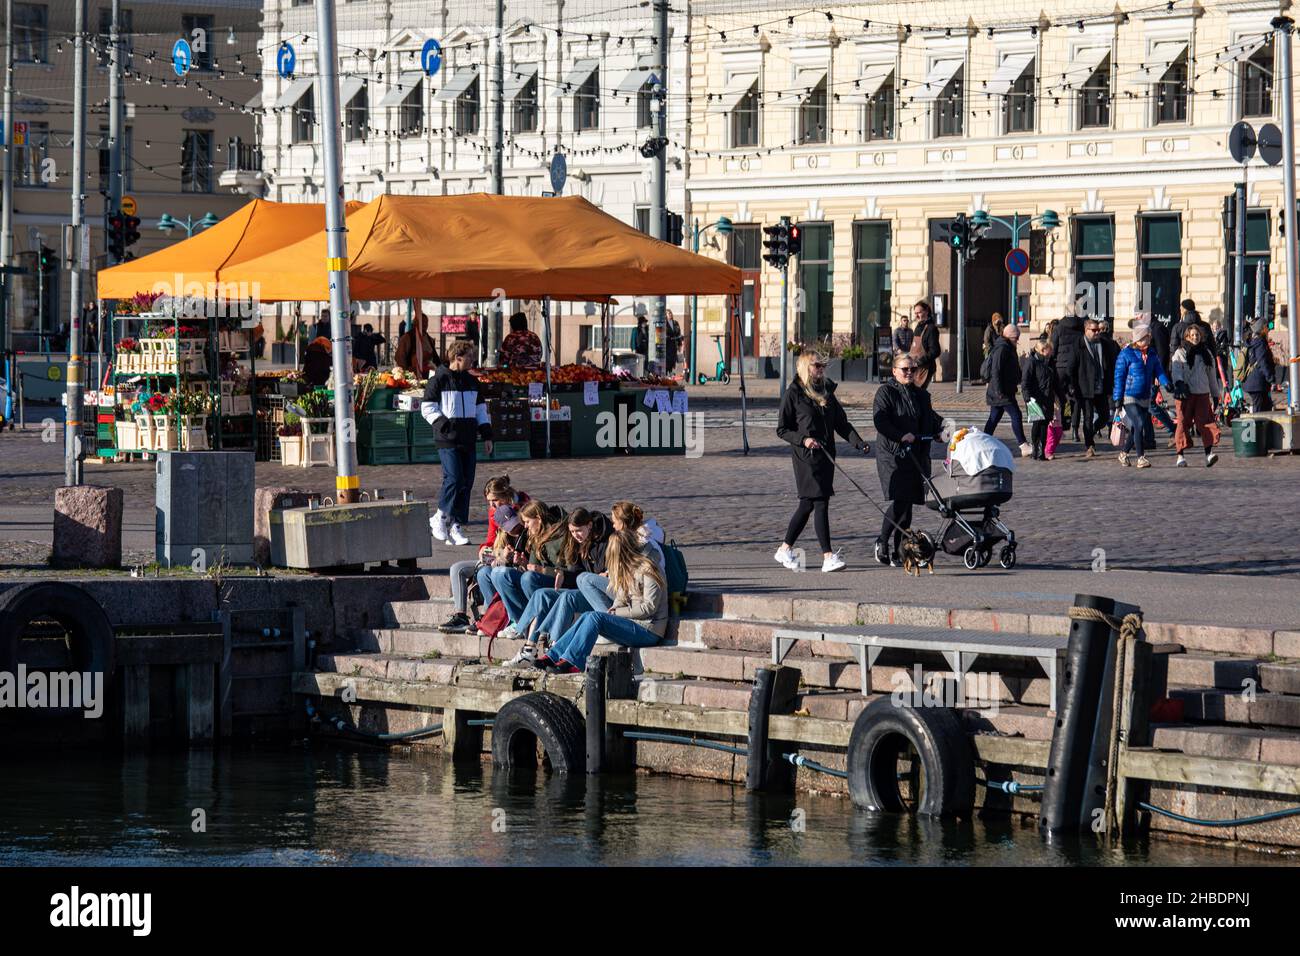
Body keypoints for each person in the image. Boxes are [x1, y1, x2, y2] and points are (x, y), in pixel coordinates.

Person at [774, 351, 871, 573]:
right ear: (805, 367)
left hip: (826, 454)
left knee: (808, 504)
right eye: (817, 365)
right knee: (820, 502)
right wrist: (804, 439)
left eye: (823, 366)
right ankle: (828, 556)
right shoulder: (794, 393)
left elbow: (841, 423)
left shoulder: (827, 391)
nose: (821, 369)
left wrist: (859, 443)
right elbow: (782, 429)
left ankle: (785, 548)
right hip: (805, 456)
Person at [533, 528, 669, 674]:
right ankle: (554, 655)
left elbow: (649, 608)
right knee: (588, 615)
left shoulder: (649, 569)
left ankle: (573, 661)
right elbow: (621, 597)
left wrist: (618, 613)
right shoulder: (628, 567)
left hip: (649, 629)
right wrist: (616, 607)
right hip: (633, 622)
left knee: (595, 617)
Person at [505, 507, 613, 667]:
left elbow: (607, 573)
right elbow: (576, 574)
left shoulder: (607, 542)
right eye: (572, 531)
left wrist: (604, 574)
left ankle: (555, 646)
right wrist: (563, 575)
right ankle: (529, 648)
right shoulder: (579, 543)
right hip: (583, 588)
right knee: (542, 594)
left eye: (578, 530)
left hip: (600, 595)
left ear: (589, 526)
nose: (576, 535)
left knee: (567, 597)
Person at [872, 352, 951, 567]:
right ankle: (882, 541)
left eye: (912, 369)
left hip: (916, 452)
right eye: (905, 369)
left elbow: (929, 418)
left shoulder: (921, 395)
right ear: (894, 370)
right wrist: (900, 436)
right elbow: (881, 422)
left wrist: (943, 428)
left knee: (908, 505)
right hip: (893, 453)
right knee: (900, 500)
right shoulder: (885, 392)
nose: (909, 373)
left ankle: (900, 550)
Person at [421, 340, 493, 546]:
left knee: (466, 482)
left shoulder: (472, 382)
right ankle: (440, 517)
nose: (473, 360)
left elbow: (480, 410)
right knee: (454, 477)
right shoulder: (439, 380)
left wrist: (487, 434)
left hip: (468, 438)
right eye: (470, 356)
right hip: (448, 439)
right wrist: (444, 425)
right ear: (457, 358)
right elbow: (427, 408)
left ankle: (456, 525)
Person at [442, 476, 530, 633]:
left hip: (514, 561)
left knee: (485, 573)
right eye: (489, 501)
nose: (492, 505)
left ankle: (493, 619)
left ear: (506, 495)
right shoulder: (493, 511)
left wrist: (505, 555)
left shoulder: (523, 509)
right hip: (496, 556)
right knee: (457, 568)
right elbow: (490, 540)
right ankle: (461, 615)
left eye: (494, 500)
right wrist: (484, 550)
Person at [490, 499, 569, 636]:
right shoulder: (535, 536)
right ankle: (522, 623)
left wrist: (541, 570)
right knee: (499, 574)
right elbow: (532, 566)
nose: (525, 526)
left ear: (538, 518)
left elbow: (569, 572)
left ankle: (539, 623)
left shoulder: (561, 536)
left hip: (560, 583)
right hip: (538, 579)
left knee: (528, 578)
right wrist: (523, 563)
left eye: (527, 522)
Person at [1113, 315, 1172, 468]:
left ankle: (1123, 454)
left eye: (1149, 338)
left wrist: (1166, 384)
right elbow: (1119, 376)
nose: (1149, 341)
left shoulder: (1151, 354)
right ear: (1137, 339)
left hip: (1145, 395)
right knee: (1139, 423)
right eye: (1146, 338)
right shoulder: (1126, 354)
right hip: (1129, 396)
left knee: (1136, 428)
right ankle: (1141, 458)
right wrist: (1117, 398)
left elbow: (1158, 371)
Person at [1170, 323, 1222, 468]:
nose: (1195, 337)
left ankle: (1209, 454)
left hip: (1202, 393)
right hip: (1185, 395)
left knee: (1205, 423)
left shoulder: (1207, 354)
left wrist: (1216, 394)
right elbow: (1176, 369)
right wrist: (1179, 383)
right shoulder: (1180, 353)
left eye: (1197, 335)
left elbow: (1212, 375)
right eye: (1192, 335)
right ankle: (1180, 455)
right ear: (1187, 336)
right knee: (1182, 424)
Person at [1070, 318, 1120, 459]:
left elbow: (1111, 364)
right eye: (1094, 330)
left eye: (1098, 330)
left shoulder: (1105, 344)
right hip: (1084, 388)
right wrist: (1072, 387)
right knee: (1088, 417)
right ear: (1086, 330)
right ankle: (1089, 445)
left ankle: (1089, 433)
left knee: (1104, 416)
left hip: (1102, 387)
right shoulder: (1078, 345)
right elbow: (1071, 368)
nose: (1097, 332)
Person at [981, 322, 1033, 457]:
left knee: (994, 418)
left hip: (1002, 390)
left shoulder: (1007, 346)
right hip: (1001, 391)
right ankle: (1023, 445)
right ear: (1010, 336)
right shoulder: (1002, 348)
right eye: (1016, 338)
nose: (1018, 340)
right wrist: (999, 392)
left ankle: (982, 442)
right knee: (1016, 415)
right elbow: (996, 371)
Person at [1021, 338, 1058, 460]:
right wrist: (1027, 398)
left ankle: (1042, 451)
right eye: (1049, 350)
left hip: (1047, 398)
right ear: (1042, 350)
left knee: (1045, 425)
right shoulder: (1031, 362)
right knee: (1037, 424)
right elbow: (1025, 382)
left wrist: (1059, 397)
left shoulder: (1049, 362)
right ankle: (1035, 450)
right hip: (1035, 399)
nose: (1051, 352)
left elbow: (1054, 381)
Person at [1050, 312, 1084, 435]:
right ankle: (1075, 429)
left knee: (1060, 398)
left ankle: (1063, 425)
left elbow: (1053, 349)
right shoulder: (1081, 327)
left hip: (1060, 367)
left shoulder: (1058, 328)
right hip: (1076, 368)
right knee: (1076, 399)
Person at [1244, 318, 1276, 412]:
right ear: (1261, 329)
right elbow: (1263, 362)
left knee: (1266, 408)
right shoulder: (1260, 343)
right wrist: (1271, 379)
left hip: (1256, 383)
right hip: (1257, 384)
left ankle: (1264, 426)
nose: (1268, 329)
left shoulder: (1254, 341)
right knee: (1259, 411)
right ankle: (1258, 426)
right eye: (1266, 326)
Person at [908, 300, 941, 389]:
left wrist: (921, 361)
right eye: (915, 313)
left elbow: (935, 351)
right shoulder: (918, 327)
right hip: (914, 367)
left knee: (919, 393)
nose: (916, 315)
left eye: (919, 312)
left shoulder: (931, 328)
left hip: (925, 368)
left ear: (926, 311)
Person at [395, 312, 440, 377]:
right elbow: (399, 357)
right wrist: (406, 373)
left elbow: (435, 359)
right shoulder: (407, 338)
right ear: (416, 323)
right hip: (413, 375)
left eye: (426, 323)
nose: (425, 325)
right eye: (422, 323)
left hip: (429, 374)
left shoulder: (429, 339)